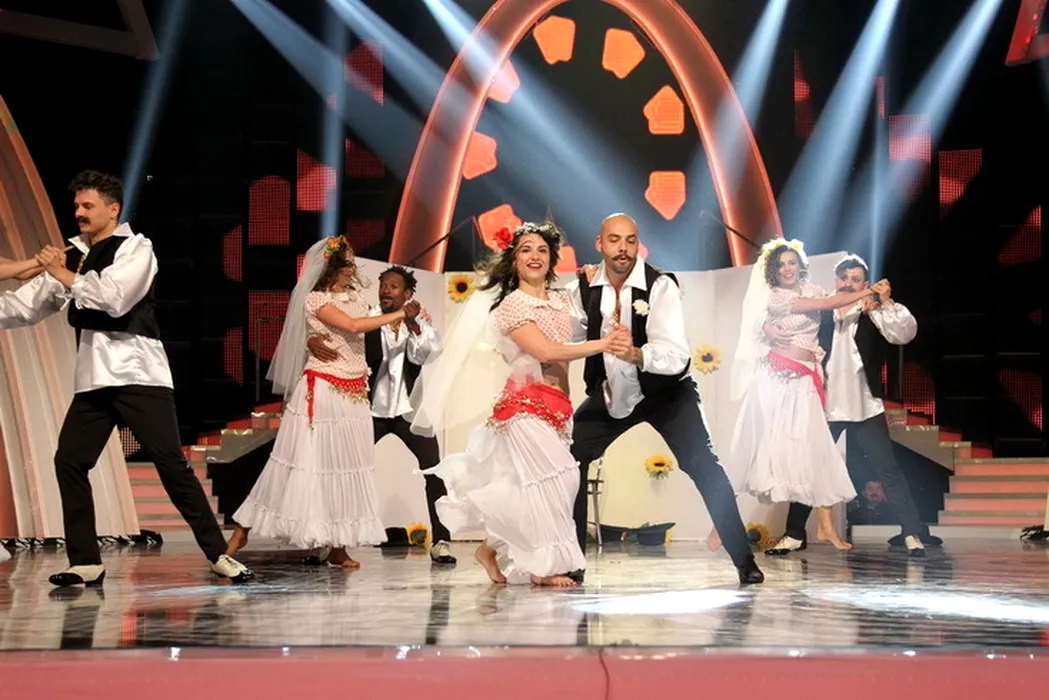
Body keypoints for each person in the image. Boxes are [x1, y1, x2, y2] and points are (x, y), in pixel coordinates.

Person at [0, 170, 253, 586]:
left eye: (88, 206)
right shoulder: (75, 255)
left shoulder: (137, 248)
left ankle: (218, 554)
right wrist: (51, 272)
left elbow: (114, 299)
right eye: (77, 205)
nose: (79, 212)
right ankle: (86, 562)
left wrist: (62, 273)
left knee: (171, 465)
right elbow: (26, 307)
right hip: (94, 378)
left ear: (113, 209)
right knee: (70, 461)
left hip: (139, 374)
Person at [409, 221, 631, 586]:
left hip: (558, 407)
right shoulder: (512, 305)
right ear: (514, 260)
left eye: (542, 250)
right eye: (526, 249)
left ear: (552, 259)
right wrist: (603, 345)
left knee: (527, 488)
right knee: (564, 477)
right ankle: (540, 570)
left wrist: (594, 283)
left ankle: (489, 549)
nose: (535, 256)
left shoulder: (561, 299)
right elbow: (546, 351)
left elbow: (590, 318)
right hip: (524, 405)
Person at [569, 213, 764, 585]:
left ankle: (744, 560)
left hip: (667, 392)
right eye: (614, 240)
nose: (623, 248)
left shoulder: (660, 286)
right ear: (599, 244)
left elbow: (677, 356)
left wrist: (636, 354)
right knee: (570, 459)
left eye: (630, 240)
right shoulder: (583, 287)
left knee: (705, 466)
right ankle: (572, 562)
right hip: (613, 392)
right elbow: (571, 334)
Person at [226, 236, 413, 568]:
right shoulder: (316, 299)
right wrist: (397, 313)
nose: (353, 267)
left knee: (344, 467)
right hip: (323, 389)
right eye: (348, 262)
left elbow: (367, 322)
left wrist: (404, 314)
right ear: (334, 267)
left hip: (355, 393)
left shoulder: (355, 297)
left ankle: (338, 545)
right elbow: (353, 325)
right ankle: (242, 531)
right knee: (298, 463)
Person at [763, 253, 933, 558]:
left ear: (865, 284)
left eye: (855, 280)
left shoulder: (873, 312)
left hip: (865, 405)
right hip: (825, 405)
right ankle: (794, 534)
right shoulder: (822, 310)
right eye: (843, 278)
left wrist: (886, 302)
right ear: (835, 280)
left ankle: (911, 532)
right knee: (809, 467)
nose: (848, 284)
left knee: (887, 468)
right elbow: (785, 318)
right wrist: (766, 326)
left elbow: (905, 333)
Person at [723, 239, 876, 551]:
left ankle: (825, 526)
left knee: (814, 450)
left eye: (792, 262)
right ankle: (720, 524)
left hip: (805, 380)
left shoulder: (814, 290)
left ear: (800, 265)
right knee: (755, 447)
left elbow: (834, 301)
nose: (787, 269)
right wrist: (867, 291)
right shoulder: (778, 297)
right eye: (781, 265)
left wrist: (868, 299)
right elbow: (827, 305)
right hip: (777, 379)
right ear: (774, 271)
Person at [307, 265, 455, 565]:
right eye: (383, 285)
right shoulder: (368, 318)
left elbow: (427, 354)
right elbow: (342, 337)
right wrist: (311, 340)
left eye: (394, 286)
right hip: (369, 410)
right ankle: (328, 540)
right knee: (342, 471)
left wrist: (413, 325)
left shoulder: (419, 320)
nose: (386, 290)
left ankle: (441, 541)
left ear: (407, 293)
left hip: (409, 412)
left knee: (434, 471)